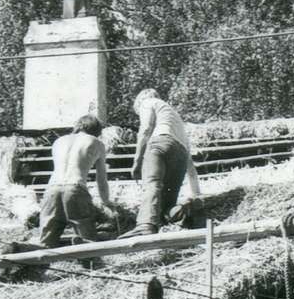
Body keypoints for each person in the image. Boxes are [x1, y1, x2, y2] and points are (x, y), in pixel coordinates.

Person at [128, 89, 202, 234]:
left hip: (160, 143)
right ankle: (181, 214)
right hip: (181, 155)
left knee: (152, 184)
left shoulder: (147, 102)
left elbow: (146, 129)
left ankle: (145, 225)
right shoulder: (175, 117)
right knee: (164, 206)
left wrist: (137, 162)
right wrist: (197, 195)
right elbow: (190, 164)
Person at [38, 114, 114, 247]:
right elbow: (101, 179)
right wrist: (107, 202)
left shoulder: (59, 141)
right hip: (75, 188)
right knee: (88, 239)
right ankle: (81, 244)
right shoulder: (97, 143)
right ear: (97, 130)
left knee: (46, 242)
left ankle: (19, 249)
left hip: (52, 189)